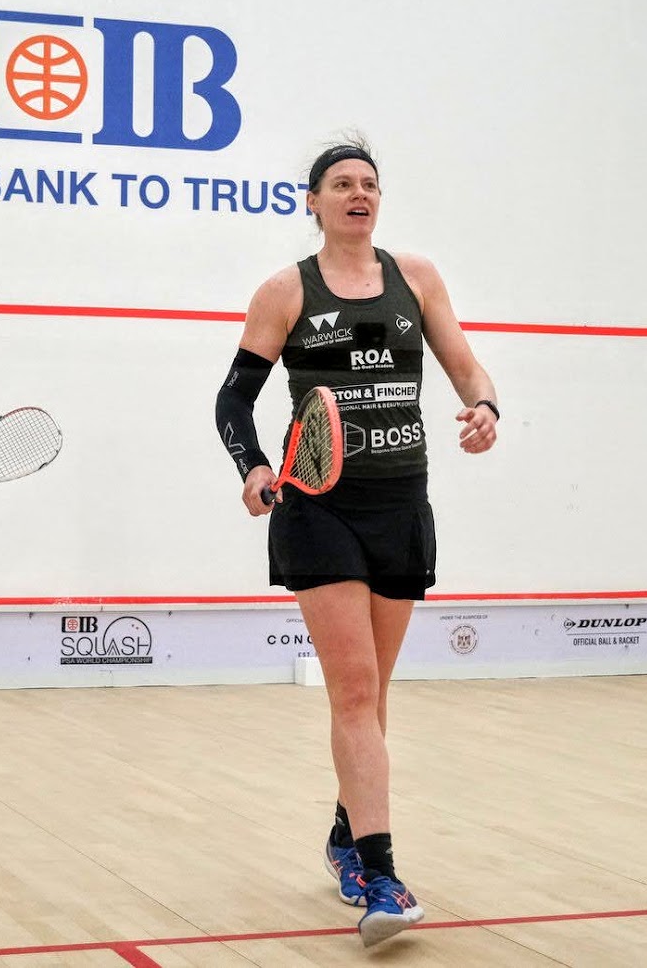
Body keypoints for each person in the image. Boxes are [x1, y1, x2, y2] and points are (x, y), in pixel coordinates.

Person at [215, 141, 499, 946]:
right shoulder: (284, 291)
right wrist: (253, 466)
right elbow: (233, 399)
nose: (356, 193)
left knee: (372, 698)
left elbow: (466, 368)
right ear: (312, 201)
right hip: (317, 506)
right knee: (352, 691)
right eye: (340, 184)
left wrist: (485, 408)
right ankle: (380, 875)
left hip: (401, 503)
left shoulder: (418, 278)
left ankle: (345, 835)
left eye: (368, 184)